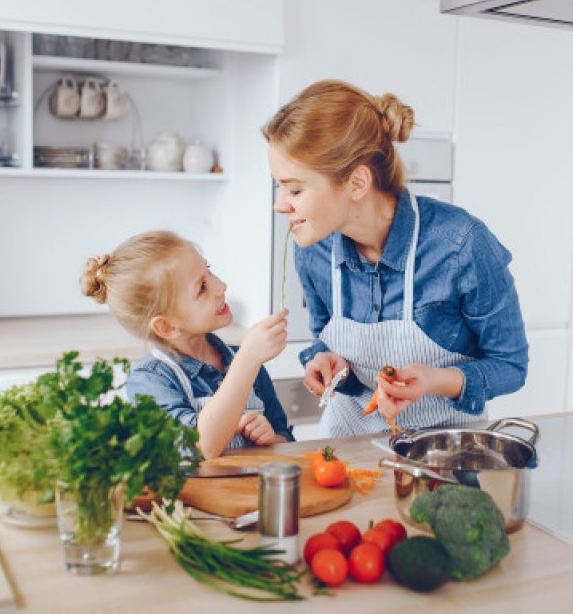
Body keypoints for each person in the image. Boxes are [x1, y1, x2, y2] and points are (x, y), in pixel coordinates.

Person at [263, 79, 529, 437]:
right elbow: (324, 338)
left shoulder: (460, 245)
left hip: (442, 451)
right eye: (279, 186)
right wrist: (323, 362)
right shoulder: (313, 249)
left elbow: (510, 366)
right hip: (347, 444)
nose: (280, 204)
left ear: (357, 183)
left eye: (295, 189)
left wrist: (434, 380)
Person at [81, 230, 294, 458]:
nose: (221, 286)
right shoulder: (151, 379)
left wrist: (272, 440)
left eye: (209, 271)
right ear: (167, 327)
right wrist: (247, 360)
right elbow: (198, 447)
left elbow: (287, 440)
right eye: (202, 287)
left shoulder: (245, 361)